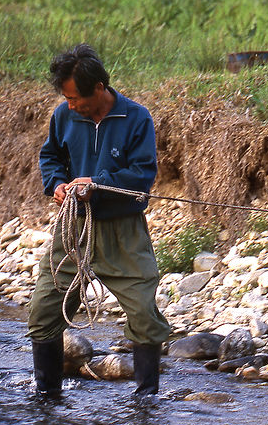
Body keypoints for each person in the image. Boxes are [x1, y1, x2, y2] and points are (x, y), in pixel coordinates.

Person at [27, 43, 170, 395]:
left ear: (99, 88)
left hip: (123, 231)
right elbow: (50, 157)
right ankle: (46, 397)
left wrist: (98, 183)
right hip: (73, 229)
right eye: (66, 98)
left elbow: (142, 175)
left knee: (143, 313)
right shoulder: (63, 116)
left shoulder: (136, 118)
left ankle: (146, 401)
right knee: (43, 311)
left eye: (75, 98)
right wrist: (57, 184)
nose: (70, 105)